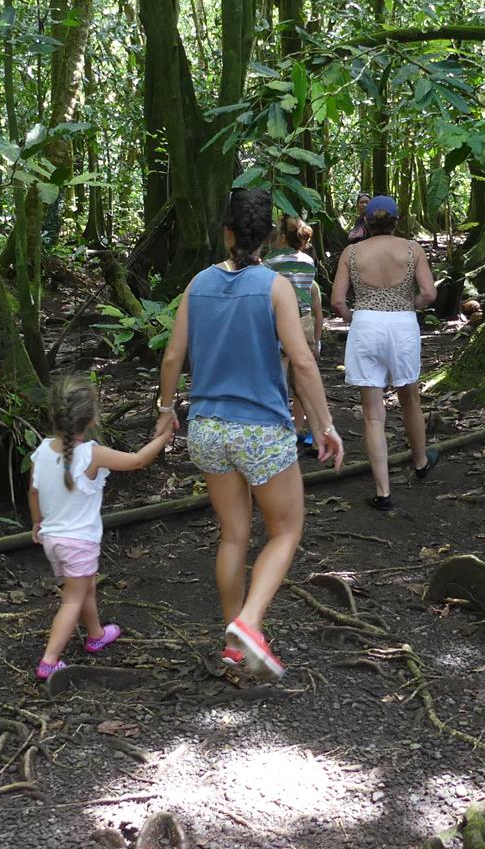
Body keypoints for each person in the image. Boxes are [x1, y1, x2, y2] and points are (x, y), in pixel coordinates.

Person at [155, 188, 345, 678]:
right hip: (259, 429)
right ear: (266, 238)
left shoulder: (198, 284)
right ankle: (251, 622)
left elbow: (173, 356)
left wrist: (164, 409)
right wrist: (324, 425)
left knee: (233, 535)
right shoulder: (275, 286)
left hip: (207, 429)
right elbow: (301, 360)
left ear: (227, 231)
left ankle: (234, 641)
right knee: (284, 530)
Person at [29, 374, 174, 679]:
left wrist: (36, 523)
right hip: (78, 542)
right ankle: (49, 660)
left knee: (84, 587)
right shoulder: (91, 454)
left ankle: (95, 635)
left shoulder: (42, 451)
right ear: (93, 416)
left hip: (53, 539)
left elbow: (34, 492)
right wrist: (164, 437)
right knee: (73, 598)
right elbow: (136, 461)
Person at [332, 195, 437, 511]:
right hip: (402, 325)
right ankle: (420, 462)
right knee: (410, 400)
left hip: (366, 326)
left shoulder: (351, 252)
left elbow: (337, 300)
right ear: (397, 219)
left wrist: (357, 318)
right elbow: (429, 293)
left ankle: (383, 492)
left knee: (373, 413)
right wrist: (408, 306)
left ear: (365, 220)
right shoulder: (411, 249)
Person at [264, 214, 324, 453]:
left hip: (278, 321)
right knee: (304, 381)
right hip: (304, 321)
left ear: (280, 235)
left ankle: (279, 435)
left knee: (277, 379)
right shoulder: (308, 262)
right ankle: (318, 435)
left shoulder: (270, 261)